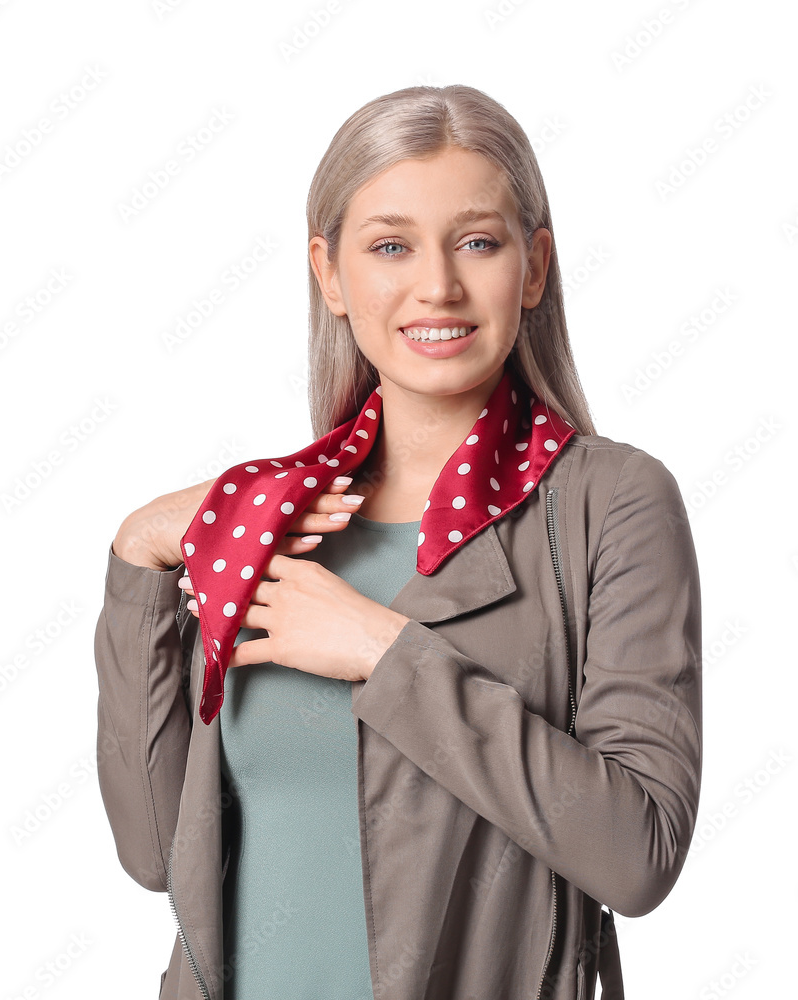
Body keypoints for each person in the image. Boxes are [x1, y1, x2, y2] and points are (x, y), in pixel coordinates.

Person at [94, 84, 702, 1000]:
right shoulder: (264, 519)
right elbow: (154, 854)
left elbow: (637, 854)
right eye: (389, 246)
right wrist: (138, 557)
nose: (437, 287)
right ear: (329, 274)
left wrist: (381, 651)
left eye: (478, 242)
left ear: (532, 268)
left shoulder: (609, 503)